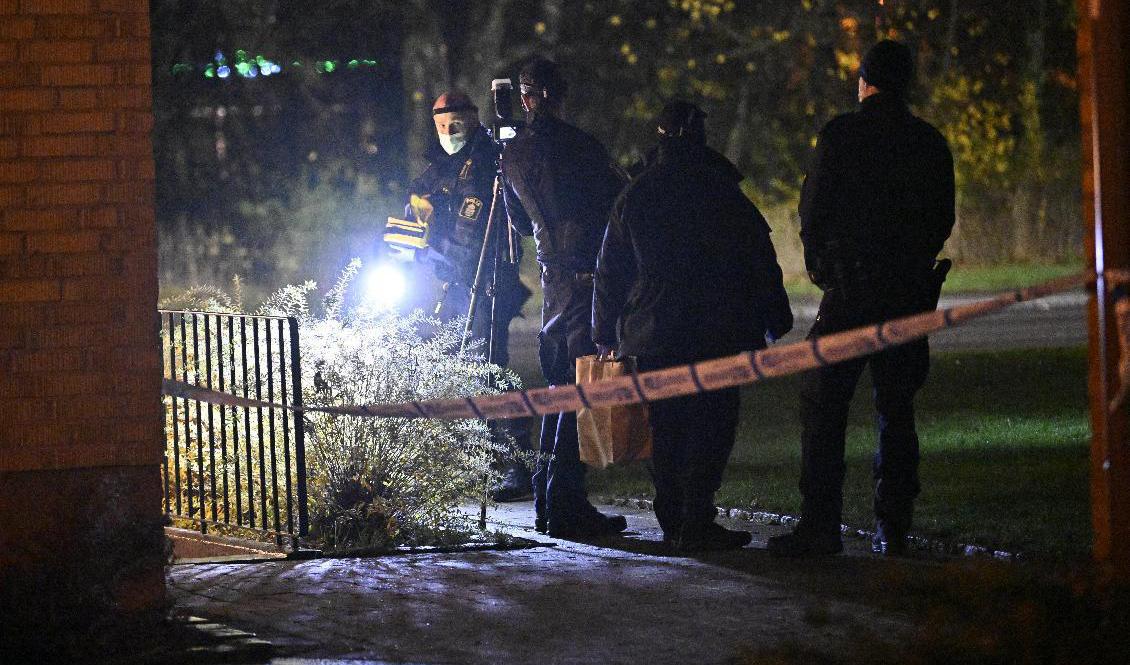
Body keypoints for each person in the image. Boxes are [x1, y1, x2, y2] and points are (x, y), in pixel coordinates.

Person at [767, 40, 956, 557]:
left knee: (823, 405)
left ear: (864, 81)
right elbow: (941, 217)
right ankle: (893, 525)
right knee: (896, 410)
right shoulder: (928, 143)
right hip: (908, 291)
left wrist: (826, 269)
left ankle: (821, 524)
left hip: (851, 292)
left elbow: (814, 211)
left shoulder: (842, 136)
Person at [592, 101, 793, 552]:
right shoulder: (721, 189)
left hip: (656, 333)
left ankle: (673, 516)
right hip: (716, 329)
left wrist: (605, 332)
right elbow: (757, 256)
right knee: (712, 424)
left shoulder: (637, 193)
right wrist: (774, 315)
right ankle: (697, 516)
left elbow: (610, 269)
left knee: (666, 426)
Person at [501, 57, 629, 538]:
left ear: (526, 97)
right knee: (575, 393)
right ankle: (566, 504)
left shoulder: (510, 155)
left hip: (553, 280)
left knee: (558, 388)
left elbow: (517, 224)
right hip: (585, 278)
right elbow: (616, 206)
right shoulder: (582, 148)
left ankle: (547, 499)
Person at [404, 90, 533, 501]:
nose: (449, 131)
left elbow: (471, 229)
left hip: (486, 279)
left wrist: (444, 262)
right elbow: (411, 215)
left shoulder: (489, 165)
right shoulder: (437, 168)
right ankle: (474, 455)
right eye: (442, 124)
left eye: (456, 123)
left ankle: (516, 462)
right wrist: (396, 249)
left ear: (472, 120)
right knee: (457, 370)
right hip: (447, 282)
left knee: (490, 367)